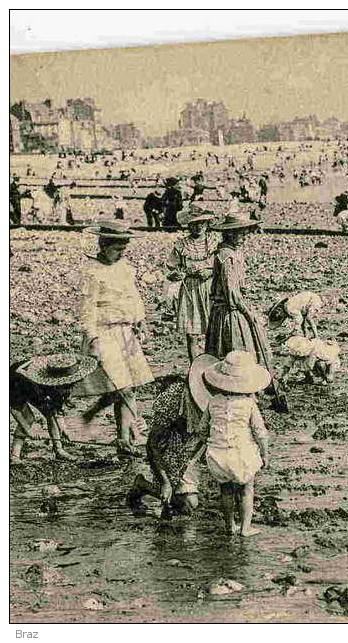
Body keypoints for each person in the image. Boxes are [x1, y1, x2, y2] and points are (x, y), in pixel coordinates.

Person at [74, 221, 153, 457]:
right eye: (117, 249)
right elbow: (87, 309)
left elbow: (133, 296)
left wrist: (141, 320)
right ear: (104, 245)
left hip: (126, 332)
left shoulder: (125, 267)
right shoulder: (92, 271)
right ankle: (124, 438)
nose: (121, 253)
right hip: (104, 332)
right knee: (122, 386)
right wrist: (93, 339)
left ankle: (123, 437)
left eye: (124, 249)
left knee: (130, 387)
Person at [204, 212, 284, 409]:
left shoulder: (232, 253)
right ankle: (236, 393)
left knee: (238, 348)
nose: (246, 237)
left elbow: (237, 287)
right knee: (237, 349)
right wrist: (249, 314)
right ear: (231, 234)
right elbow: (232, 294)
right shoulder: (227, 257)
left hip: (228, 308)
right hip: (229, 311)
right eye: (243, 233)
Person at [193, 350, 271, 537]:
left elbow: (201, 429)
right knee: (246, 489)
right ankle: (245, 528)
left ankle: (230, 526)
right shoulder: (249, 404)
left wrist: (210, 442)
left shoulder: (213, 401)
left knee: (226, 490)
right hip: (242, 453)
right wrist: (265, 453)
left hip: (218, 454)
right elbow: (260, 432)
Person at [126, 365, 209, 518]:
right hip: (172, 443)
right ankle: (144, 486)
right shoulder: (172, 399)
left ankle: (173, 493)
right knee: (189, 504)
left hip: (195, 445)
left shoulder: (220, 398)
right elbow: (152, 445)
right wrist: (164, 481)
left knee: (191, 501)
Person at [10, 353, 98, 462]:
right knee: (28, 418)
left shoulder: (61, 382)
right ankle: (15, 455)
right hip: (15, 382)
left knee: (50, 413)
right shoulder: (30, 382)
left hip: (37, 387)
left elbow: (55, 409)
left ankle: (59, 450)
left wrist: (63, 428)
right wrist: (29, 431)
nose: (70, 388)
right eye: (66, 386)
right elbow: (15, 411)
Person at [166, 207, 217, 361]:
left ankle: (211, 364)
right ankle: (195, 366)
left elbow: (222, 266)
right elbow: (172, 268)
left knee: (212, 330)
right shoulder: (181, 245)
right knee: (192, 332)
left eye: (201, 223)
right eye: (194, 224)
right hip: (190, 289)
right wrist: (178, 273)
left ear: (207, 224)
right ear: (188, 225)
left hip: (210, 288)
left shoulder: (214, 242)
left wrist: (210, 272)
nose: (198, 227)